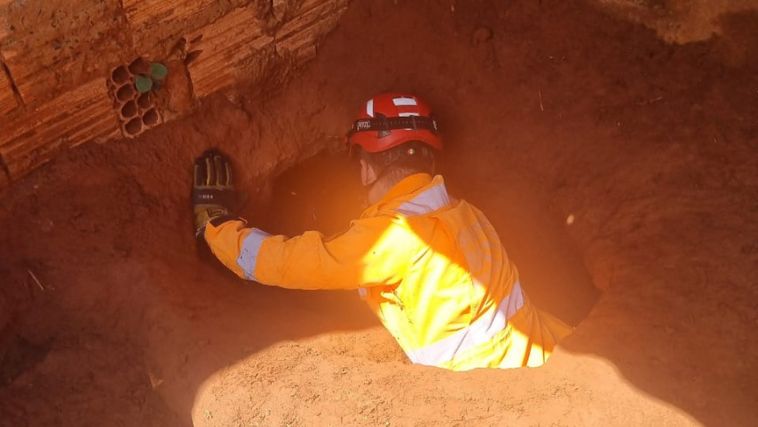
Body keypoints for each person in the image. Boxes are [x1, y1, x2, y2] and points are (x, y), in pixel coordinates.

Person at [191, 93, 572, 371]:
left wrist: (217, 229)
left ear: (367, 167)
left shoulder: (396, 235)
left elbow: (294, 263)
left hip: (490, 387)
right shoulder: (464, 212)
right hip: (549, 353)